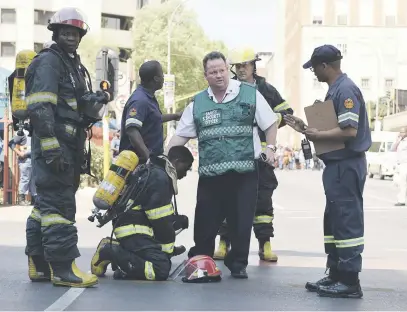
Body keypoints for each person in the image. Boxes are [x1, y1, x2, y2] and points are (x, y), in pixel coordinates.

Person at [166, 51, 279, 278]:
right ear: (205, 75)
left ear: (228, 70)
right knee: (205, 219)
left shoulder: (250, 94)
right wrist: (162, 158)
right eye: (213, 72)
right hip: (211, 175)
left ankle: (238, 264)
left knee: (241, 220)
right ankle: (202, 260)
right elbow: (180, 137)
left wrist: (271, 148)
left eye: (222, 70)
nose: (219, 75)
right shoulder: (197, 103)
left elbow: (271, 122)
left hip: (245, 172)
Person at [24, 7, 110, 287]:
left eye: (76, 33)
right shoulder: (50, 61)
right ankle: (63, 270)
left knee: (44, 206)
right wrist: (51, 148)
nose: (71, 37)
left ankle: (38, 264)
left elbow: (74, 103)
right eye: (66, 32)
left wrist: (94, 99)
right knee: (59, 206)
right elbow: (40, 106)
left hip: (67, 145)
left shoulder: (71, 64)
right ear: (56, 32)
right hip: (55, 146)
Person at [284, 44, 371, 298]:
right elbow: (333, 130)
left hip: (347, 164)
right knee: (334, 221)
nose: (313, 72)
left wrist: (318, 134)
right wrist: (305, 129)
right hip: (337, 166)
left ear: (325, 66)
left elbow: (349, 131)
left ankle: (349, 281)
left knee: (346, 221)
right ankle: (336, 274)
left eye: (314, 67)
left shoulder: (345, 89)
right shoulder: (335, 89)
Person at [213, 48, 294, 262]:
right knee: (227, 198)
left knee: (263, 200)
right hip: (232, 154)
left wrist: (268, 118)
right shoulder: (226, 88)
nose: (241, 69)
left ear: (253, 66)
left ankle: (264, 243)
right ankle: (223, 242)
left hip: (261, 158)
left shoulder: (266, 90)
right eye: (238, 66)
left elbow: (288, 114)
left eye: (245, 65)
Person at [90, 146, 193, 281]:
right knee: (160, 268)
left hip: (134, 226)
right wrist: (167, 251)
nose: (184, 174)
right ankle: (109, 250)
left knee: (162, 254)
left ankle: (126, 266)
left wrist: (177, 220)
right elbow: (160, 222)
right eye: (185, 169)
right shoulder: (160, 178)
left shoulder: (155, 171)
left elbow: (157, 214)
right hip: (133, 231)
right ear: (177, 161)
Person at [119, 61, 181, 164]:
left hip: (147, 163)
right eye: (162, 74)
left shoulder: (148, 98)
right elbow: (132, 131)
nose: (163, 77)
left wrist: (175, 116)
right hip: (138, 164)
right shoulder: (140, 100)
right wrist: (148, 158)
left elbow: (155, 119)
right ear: (156, 78)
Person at [9, 131, 36, 205]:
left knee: (34, 179)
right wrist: (20, 153)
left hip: (35, 158)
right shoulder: (22, 132)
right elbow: (11, 143)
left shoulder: (37, 130)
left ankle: (34, 199)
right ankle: (21, 199)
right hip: (26, 159)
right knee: (25, 178)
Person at [391, 127, 407, 206]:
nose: (401, 134)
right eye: (400, 132)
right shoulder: (399, 141)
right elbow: (392, 149)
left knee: (402, 183)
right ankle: (402, 199)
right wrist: (397, 140)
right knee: (398, 182)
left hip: (405, 164)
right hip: (399, 164)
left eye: (403, 132)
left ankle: (402, 200)